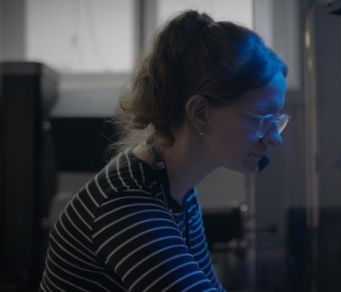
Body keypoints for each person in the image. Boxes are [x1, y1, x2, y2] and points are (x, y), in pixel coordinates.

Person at [40, 10, 288, 291]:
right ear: (200, 113)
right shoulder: (127, 205)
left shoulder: (176, 189)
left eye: (277, 121)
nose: (274, 138)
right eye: (262, 117)